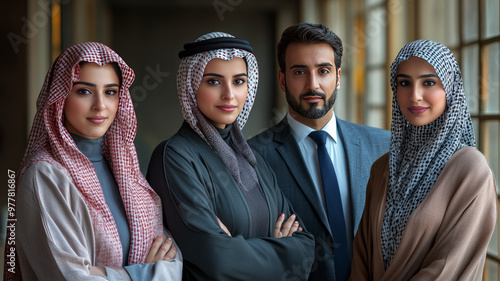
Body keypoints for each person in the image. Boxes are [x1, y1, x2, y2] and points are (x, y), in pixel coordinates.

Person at [147, 32, 315, 281]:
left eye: (238, 81)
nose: (229, 94)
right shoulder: (174, 156)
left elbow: (306, 248)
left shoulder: (252, 157)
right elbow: (217, 259)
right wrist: (279, 248)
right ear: (192, 86)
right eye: (214, 82)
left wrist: (236, 246)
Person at [11, 42, 182, 280]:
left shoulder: (125, 171)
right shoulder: (44, 175)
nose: (100, 105)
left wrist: (103, 272)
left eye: (110, 92)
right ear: (60, 98)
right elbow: (72, 277)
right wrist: (143, 273)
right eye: (84, 91)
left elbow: (173, 260)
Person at [248, 23, 390, 281]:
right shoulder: (252, 157)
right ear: (282, 80)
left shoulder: (383, 146)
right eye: (299, 72)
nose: (312, 84)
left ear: (337, 78)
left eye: (323, 71)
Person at [349, 40, 497, 280]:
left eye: (429, 82)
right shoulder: (383, 168)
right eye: (404, 83)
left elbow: (449, 266)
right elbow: (362, 258)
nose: (415, 96)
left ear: (450, 87)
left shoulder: (471, 170)